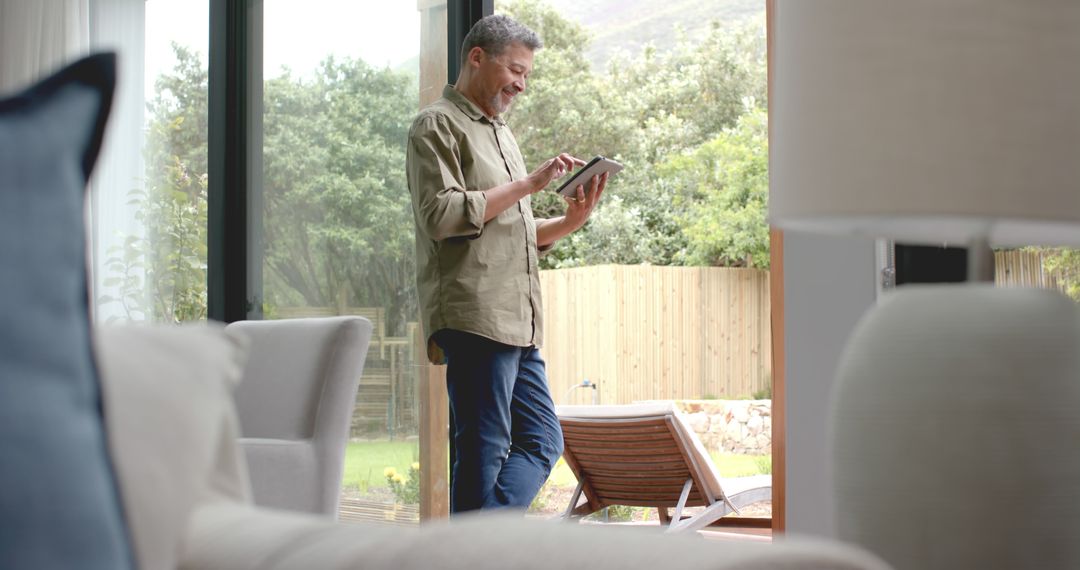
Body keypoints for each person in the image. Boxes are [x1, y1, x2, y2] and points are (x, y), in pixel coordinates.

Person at [406, 14, 608, 513]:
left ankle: (476, 545)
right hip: (475, 316)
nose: (521, 84)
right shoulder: (437, 125)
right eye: (515, 70)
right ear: (478, 57)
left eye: (527, 75)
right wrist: (528, 185)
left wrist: (570, 221)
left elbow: (514, 232)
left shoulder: (502, 135)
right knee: (484, 449)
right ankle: (478, 551)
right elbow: (441, 214)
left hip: (520, 323)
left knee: (543, 440)